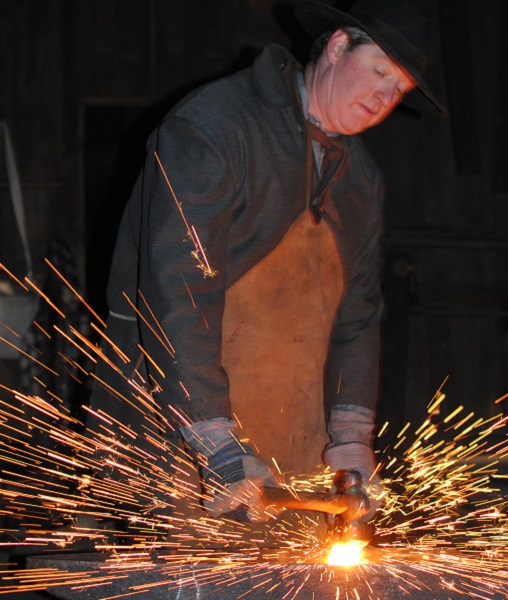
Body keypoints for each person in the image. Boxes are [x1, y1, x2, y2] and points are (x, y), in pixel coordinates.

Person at [90, 0, 444, 525]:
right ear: (336, 45)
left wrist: (350, 444)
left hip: (288, 448)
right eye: (378, 72)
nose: (383, 97)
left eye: (399, 91)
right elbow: (179, 293)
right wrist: (218, 445)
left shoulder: (361, 181)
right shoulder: (214, 126)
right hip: (176, 427)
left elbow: (358, 318)